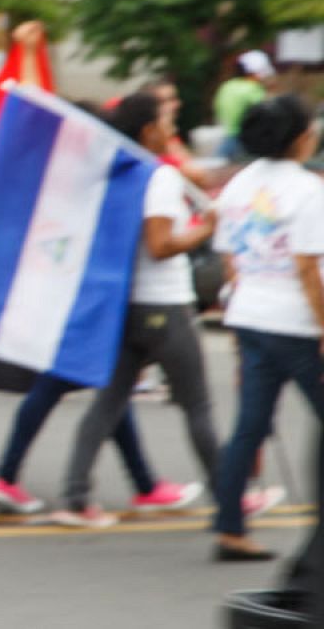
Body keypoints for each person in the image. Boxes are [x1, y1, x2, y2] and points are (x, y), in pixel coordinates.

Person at [51, 93, 220, 528]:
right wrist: (205, 230)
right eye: (165, 122)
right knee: (197, 405)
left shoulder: (114, 170)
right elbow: (160, 245)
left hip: (127, 305)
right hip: (164, 303)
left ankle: (74, 497)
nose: (171, 131)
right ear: (148, 131)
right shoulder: (157, 175)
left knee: (107, 404)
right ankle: (231, 496)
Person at [210, 95, 324, 561]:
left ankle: (229, 528)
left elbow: (229, 255)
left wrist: (246, 296)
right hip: (297, 325)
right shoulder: (308, 190)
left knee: (249, 427)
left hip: (251, 317)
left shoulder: (238, 184)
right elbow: (307, 268)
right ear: (300, 139)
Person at [214, 51, 276, 159]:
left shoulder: (227, 86)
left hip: (226, 136)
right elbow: (268, 111)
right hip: (244, 140)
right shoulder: (252, 89)